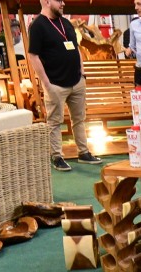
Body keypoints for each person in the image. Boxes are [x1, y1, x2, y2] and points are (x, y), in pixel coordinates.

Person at [28, 0, 102, 172]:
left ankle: (83, 153)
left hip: (76, 81)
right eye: (59, 0)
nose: (63, 3)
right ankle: (57, 156)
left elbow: (76, 48)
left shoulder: (66, 23)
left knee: (79, 119)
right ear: (47, 1)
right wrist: (46, 83)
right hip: (55, 84)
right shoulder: (38, 25)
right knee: (54, 122)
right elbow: (33, 56)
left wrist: (82, 73)